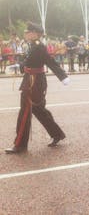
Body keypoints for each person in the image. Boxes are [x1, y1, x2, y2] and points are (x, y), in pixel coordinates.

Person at [5, 22, 70, 154]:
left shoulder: (38, 47)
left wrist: (62, 76)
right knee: (39, 110)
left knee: (25, 112)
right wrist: (19, 66)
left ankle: (20, 145)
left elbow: (49, 62)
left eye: (28, 32)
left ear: (35, 33)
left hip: (34, 82)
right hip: (31, 79)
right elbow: (29, 62)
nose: (26, 33)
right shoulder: (33, 45)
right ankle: (56, 134)